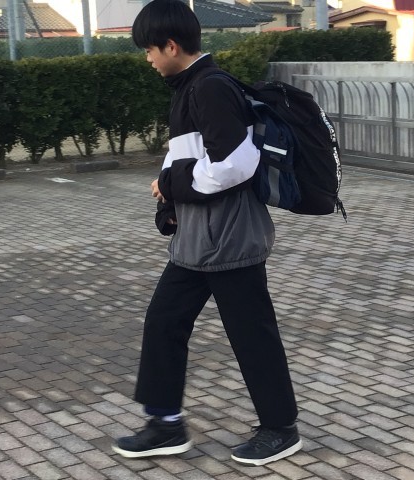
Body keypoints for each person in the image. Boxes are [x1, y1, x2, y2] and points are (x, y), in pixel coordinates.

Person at [111, 0, 301, 466]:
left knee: (251, 332)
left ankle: (280, 429)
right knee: (164, 321)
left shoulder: (210, 87)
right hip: (199, 238)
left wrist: (172, 184)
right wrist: (170, 198)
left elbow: (236, 164)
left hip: (230, 236)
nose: (148, 59)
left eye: (149, 50)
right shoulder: (190, 88)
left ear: (171, 45)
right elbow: (189, 157)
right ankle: (165, 424)